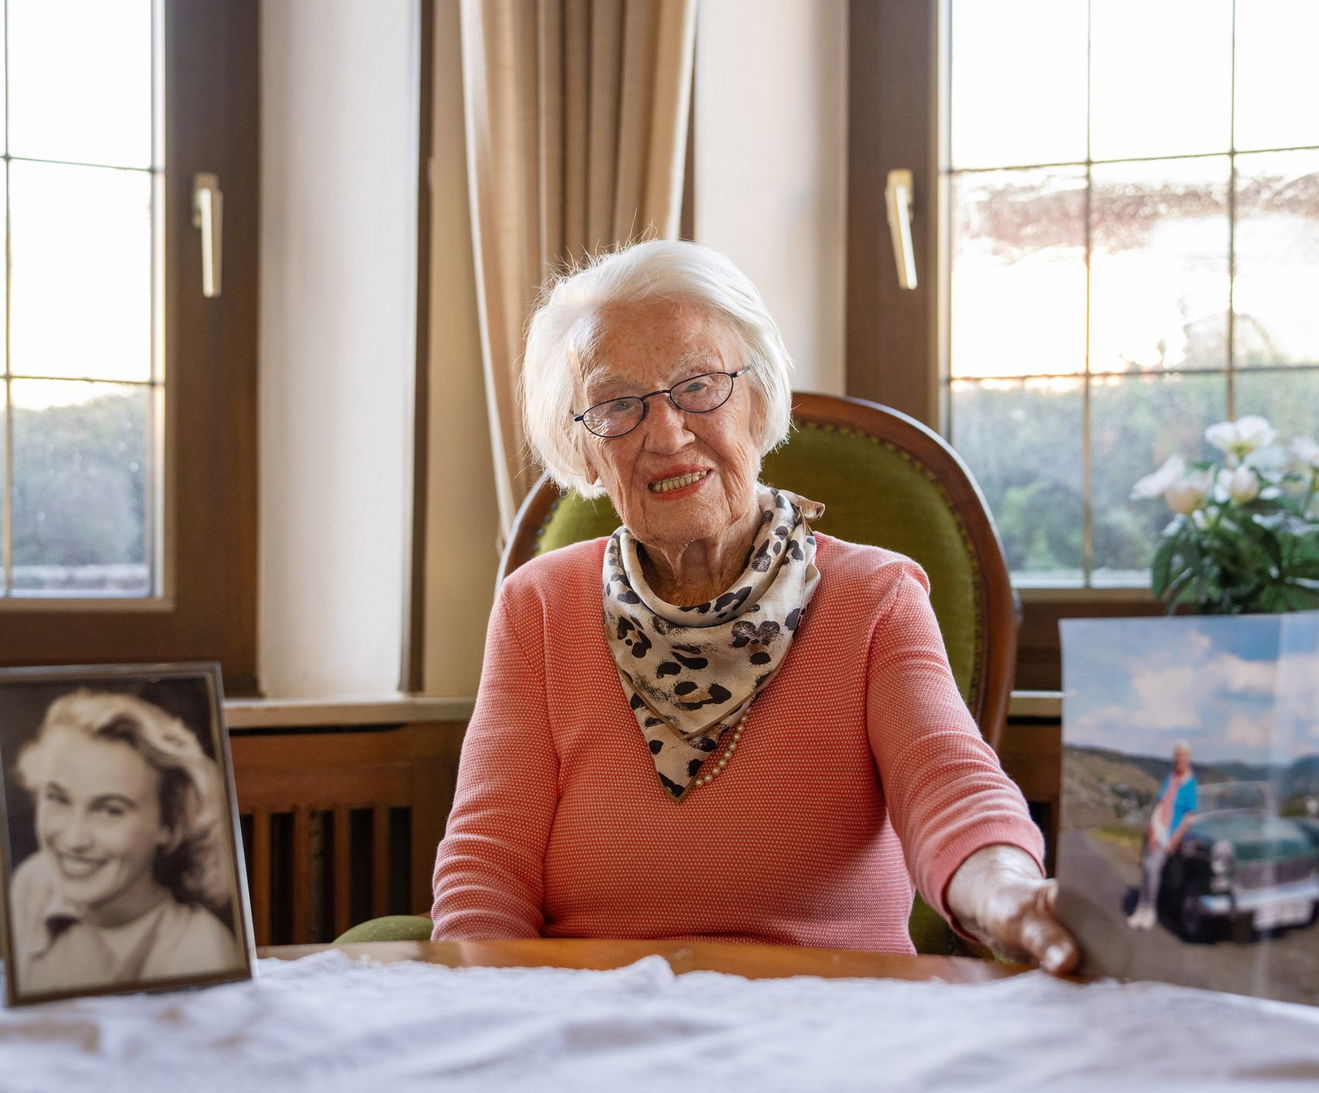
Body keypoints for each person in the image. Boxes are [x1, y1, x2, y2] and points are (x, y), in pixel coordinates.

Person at [431, 240, 1077, 971]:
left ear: (761, 399)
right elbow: (486, 868)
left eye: (699, 385)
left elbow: (951, 789)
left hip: (823, 1026)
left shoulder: (875, 598)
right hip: (593, 1028)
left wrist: (1011, 892)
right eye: (618, 404)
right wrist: (488, 1023)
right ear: (583, 446)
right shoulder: (538, 608)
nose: (667, 433)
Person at [10, 690, 240, 996]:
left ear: (168, 825)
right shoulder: (33, 882)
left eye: (110, 810)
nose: (74, 839)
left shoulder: (200, 953)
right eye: (58, 798)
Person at [1127, 741, 1198, 930]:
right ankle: (1140, 910)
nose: (1179, 759)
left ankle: (1150, 910)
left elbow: (1189, 818)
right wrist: (1151, 827)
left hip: (1169, 834)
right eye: (1177, 756)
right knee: (1146, 869)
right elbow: (1160, 803)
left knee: (1152, 869)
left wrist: (1174, 840)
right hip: (1157, 828)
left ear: (1188, 758)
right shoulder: (1171, 777)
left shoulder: (1191, 783)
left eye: (1182, 756)